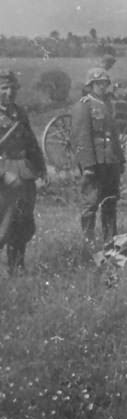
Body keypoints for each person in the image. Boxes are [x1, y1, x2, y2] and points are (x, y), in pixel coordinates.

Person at [72, 68, 125, 246]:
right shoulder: (83, 106)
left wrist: (120, 160)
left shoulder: (108, 105)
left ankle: (111, 241)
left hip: (110, 162)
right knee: (91, 203)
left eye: (105, 83)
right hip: (95, 163)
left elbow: (114, 135)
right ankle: (89, 243)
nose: (102, 87)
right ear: (90, 85)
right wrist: (87, 165)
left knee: (110, 202)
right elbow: (82, 137)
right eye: (98, 83)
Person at [0, 70, 46, 274]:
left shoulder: (19, 112)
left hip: (24, 172)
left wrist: (41, 167)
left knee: (24, 222)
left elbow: (31, 143)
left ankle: (16, 267)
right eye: (4, 89)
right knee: (5, 222)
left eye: (13, 89)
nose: (10, 93)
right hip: (4, 175)